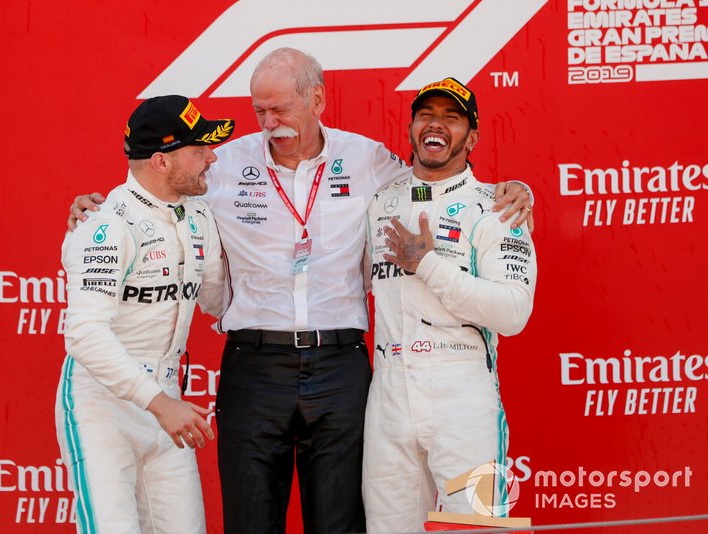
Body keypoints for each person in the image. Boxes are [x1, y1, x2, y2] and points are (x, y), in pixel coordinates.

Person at [67, 49, 534, 533]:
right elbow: (157, 189)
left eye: (282, 109)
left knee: (347, 523)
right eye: (260, 112)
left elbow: (440, 178)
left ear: (317, 99)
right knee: (251, 523)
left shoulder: (370, 160)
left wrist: (518, 190)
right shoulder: (221, 164)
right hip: (254, 363)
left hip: (341, 366)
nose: (270, 123)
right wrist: (95, 211)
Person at [362, 77, 537, 533]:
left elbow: (513, 312)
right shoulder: (381, 201)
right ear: (412, 128)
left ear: (471, 137)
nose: (436, 125)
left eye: (451, 118)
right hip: (388, 391)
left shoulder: (497, 207)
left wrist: (429, 265)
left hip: (462, 393)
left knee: (478, 528)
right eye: (426, 115)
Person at [55, 95, 234, 533]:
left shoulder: (198, 217)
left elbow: (223, 302)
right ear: (161, 161)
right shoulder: (105, 224)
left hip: (166, 401)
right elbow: (83, 334)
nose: (212, 157)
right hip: (104, 406)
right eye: (199, 150)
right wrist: (158, 403)